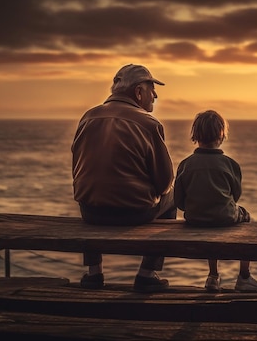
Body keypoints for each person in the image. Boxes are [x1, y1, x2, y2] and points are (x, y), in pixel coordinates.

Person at [71, 64, 177, 292]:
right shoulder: (149, 124)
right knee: (172, 198)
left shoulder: (88, 117)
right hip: (133, 213)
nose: (156, 95)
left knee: (92, 187)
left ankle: (94, 273)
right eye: (152, 88)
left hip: (91, 212)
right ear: (138, 92)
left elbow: (78, 170)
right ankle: (147, 274)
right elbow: (165, 183)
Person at [174, 110, 257, 292]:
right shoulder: (230, 164)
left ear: (195, 135)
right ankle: (244, 276)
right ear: (221, 135)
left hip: (195, 218)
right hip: (224, 216)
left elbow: (179, 201)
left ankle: (213, 276)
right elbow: (235, 195)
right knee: (246, 217)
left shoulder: (186, 164)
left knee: (209, 227)